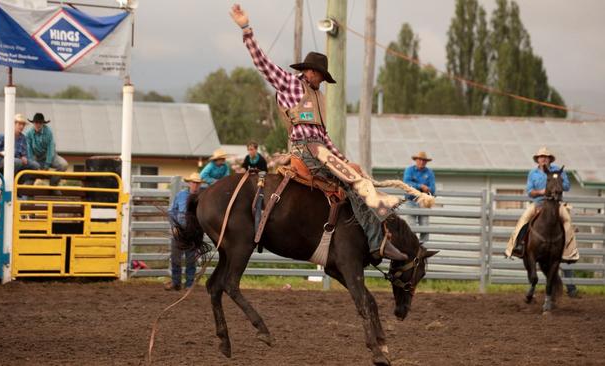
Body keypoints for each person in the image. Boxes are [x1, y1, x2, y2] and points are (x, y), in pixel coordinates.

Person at [230, 4, 406, 261]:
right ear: (310, 71)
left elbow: (324, 138)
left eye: (323, 78)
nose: (321, 80)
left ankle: (345, 241)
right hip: (305, 151)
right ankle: (376, 241)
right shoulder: (291, 84)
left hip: (319, 151)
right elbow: (263, 64)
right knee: (353, 185)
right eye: (320, 76)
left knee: (354, 178)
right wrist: (247, 29)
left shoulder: (318, 98)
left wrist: (344, 161)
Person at [505, 147, 580, 265]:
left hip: (556, 204)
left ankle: (569, 252)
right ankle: (516, 246)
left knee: (567, 221)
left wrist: (558, 183)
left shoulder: (558, 170)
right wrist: (542, 191)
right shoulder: (533, 173)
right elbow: (530, 192)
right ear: (537, 160)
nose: (543, 159)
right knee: (524, 219)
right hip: (539, 203)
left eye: (546, 157)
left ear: (550, 159)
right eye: (541, 157)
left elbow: (567, 186)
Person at [165, 172, 203, 291]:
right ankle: (176, 282)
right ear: (189, 183)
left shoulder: (201, 198)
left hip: (193, 233)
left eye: (197, 183)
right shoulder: (181, 195)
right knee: (175, 259)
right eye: (193, 183)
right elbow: (172, 211)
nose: (195, 185)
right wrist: (174, 226)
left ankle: (189, 284)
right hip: (179, 232)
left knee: (191, 260)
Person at [24, 112, 69, 186]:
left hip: (51, 157)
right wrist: (32, 163)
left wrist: (47, 165)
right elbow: (29, 150)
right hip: (37, 158)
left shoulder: (48, 132)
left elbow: (50, 149)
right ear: (33, 123)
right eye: (36, 123)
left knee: (64, 164)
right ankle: (28, 192)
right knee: (30, 171)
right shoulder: (28, 134)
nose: (38, 125)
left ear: (43, 124)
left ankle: (53, 183)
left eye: (40, 123)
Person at [402, 151, 436, 242]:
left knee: (424, 226)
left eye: (424, 160)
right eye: (420, 160)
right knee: (411, 227)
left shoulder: (429, 173)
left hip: (423, 201)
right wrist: (421, 186)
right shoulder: (409, 170)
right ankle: (412, 248)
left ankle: (423, 250)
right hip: (411, 200)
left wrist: (424, 189)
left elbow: (432, 188)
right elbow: (406, 183)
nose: (421, 162)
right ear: (416, 160)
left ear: (426, 162)